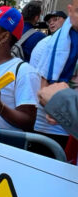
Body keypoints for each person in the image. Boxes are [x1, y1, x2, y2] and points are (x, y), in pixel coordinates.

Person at [32, 0, 78, 149]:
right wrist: (52, 105)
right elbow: (41, 85)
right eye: (49, 20)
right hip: (49, 125)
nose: (51, 23)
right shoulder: (46, 44)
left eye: (55, 19)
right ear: (70, 11)